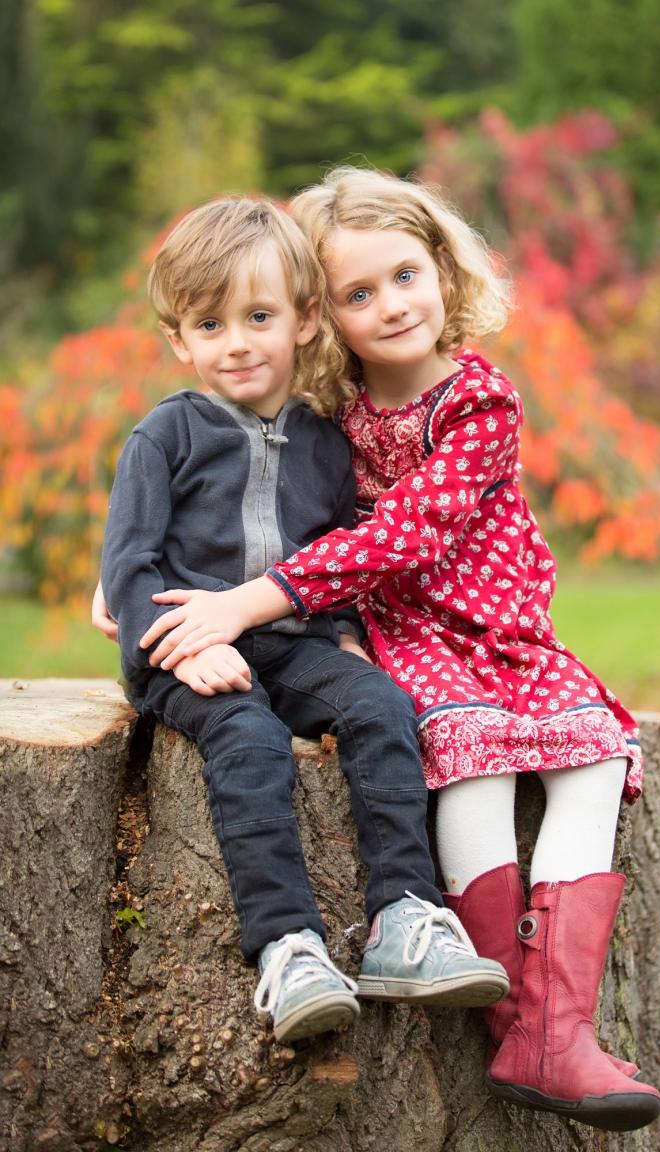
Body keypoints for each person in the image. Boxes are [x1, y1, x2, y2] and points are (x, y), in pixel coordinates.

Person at [100, 172, 660, 1131]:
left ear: (441, 267)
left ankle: (550, 1025)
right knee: (468, 760)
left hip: (492, 633)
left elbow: (397, 532)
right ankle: (489, 1013)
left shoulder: (469, 403)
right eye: (359, 293)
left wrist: (284, 616)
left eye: (404, 276)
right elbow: (161, 540)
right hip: (392, 637)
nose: (392, 305)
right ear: (327, 316)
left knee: (596, 762)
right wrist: (131, 591)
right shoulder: (320, 412)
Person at [97, 195, 510, 1047]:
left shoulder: (325, 436)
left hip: (298, 645)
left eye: (258, 317)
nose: (237, 343)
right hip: (188, 651)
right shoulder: (165, 435)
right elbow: (128, 565)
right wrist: (172, 654)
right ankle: (288, 947)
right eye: (210, 325)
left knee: (381, 705)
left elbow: (337, 549)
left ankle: (405, 916)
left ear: (306, 320)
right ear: (179, 340)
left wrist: (349, 637)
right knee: (247, 738)